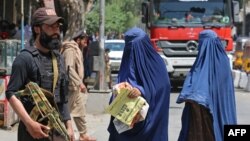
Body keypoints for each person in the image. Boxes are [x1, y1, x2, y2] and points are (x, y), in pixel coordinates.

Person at [5, 7, 74, 141]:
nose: (56, 31)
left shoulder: (58, 58)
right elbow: (11, 93)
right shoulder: (25, 58)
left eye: (57, 27)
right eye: (50, 27)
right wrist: (29, 124)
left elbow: (62, 97)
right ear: (37, 29)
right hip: (32, 132)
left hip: (57, 131)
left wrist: (69, 125)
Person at [107, 27, 171, 141]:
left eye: (134, 46)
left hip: (150, 123)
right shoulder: (126, 61)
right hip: (125, 122)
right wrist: (119, 92)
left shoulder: (156, 64)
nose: (131, 50)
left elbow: (162, 87)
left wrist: (141, 91)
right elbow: (121, 82)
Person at [176, 30, 237, 141]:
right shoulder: (223, 61)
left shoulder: (203, 63)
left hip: (206, 113)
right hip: (212, 113)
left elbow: (197, 88)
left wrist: (192, 96)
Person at [61, 30, 96, 141]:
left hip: (75, 87)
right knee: (64, 113)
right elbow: (69, 68)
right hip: (70, 87)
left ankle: (83, 135)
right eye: (84, 39)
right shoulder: (70, 50)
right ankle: (57, 134)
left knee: (80, 111)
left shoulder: (77, 49)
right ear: (78, 40)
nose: (86, 41)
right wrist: (79, 83)